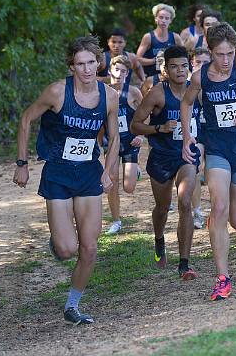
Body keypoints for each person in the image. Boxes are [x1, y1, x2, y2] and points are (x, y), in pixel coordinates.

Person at [13, 35, 120, 325]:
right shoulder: (57, 93)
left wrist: (108, 170)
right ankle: (58, 241)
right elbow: (25, 119)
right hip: (58, 173)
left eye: (91, 63)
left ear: (98, 63)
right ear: (71, 66)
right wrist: (22, 164)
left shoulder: (109, 96)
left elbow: (115, 137)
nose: (86, 69)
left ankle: (72, 306)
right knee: (67, 249)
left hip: (87, 173)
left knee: (90, 247)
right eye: (80, 64)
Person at [181, 22, 236, 301]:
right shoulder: (201, 78)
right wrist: (187, 136)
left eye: (230, 54)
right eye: (220, 54)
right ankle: (223, 278)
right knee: (219, 205)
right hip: (218, 150)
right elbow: (186, 103)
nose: (225, 60)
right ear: (209, 52)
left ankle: (217, 220)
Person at [130, 45, 202, 280]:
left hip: (186, 156)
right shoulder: (158, 93)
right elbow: (135, 125)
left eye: (184, 66)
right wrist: (158, 128)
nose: (180, 71)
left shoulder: (197, 90)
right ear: (166, 70)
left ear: (190, 67)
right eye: (174, 67)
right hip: (161, 156)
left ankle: (184, 263)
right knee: (162, 207)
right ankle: (159, 239)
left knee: (185, 203)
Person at [104, 55, 144, 235]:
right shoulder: (102, 92)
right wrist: (98, 144)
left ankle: (135, 170)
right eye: (117, 70)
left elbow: (145, 114)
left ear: (128, 74)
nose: (119, 74)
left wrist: (140, 135)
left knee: (129, 187)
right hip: (111, 143)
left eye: (123, 71)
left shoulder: (133, 92)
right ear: (110, 71)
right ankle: (116, 220)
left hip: (129, 141)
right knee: (111, 181)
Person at [189, 47, 212, 230]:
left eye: (206, 62)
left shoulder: (217, 80)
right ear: (192, 63)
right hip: (196, 131)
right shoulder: (188, 83)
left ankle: (218, 209)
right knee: (196, 169)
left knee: (213, 173)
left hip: (214, 131)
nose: (202, 66)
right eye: (199, 62)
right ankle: (197, 211)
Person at [136, 3, 184, 78]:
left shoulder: (176, 37)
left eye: (167, 18)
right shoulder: (148, 37)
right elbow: (138, 60)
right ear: (156, 19)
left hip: (172, 78)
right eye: (161, 17)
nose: (163, 21)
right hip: (153, 78)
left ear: (171, 20)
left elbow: (184, 57)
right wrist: (155, 61)